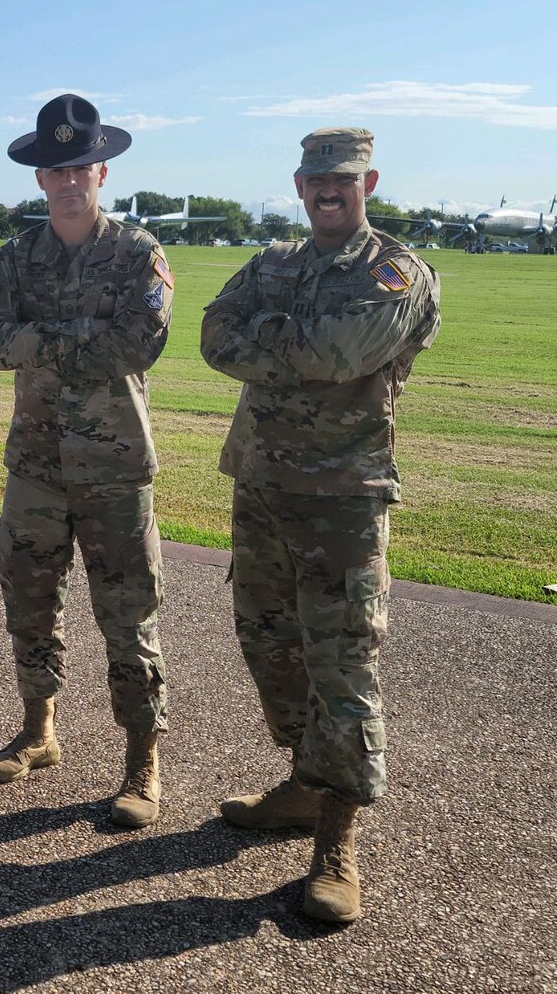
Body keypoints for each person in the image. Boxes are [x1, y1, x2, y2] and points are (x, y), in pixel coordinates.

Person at [200, 128, 440, 923]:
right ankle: (304, 784)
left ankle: (337, 839)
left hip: (343, 497)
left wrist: (270, 337)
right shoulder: (275, 261)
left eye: (343, 178)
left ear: (368, 180)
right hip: (262, 484)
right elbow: (212, 333)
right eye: (315, 179)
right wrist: (290, 340)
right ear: (299, 185)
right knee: (267, 644)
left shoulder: (395, 271)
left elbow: (340, 354)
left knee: (343, 666)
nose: (327, 190)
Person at [0, 93, 173, 828]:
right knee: (28, 600)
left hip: (115, 469)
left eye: (79, 166)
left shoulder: (138, 253)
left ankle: (142, 762)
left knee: (129, 615)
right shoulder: (16, 256)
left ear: (102, 170)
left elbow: (138, 342)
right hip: (35, 465)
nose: (67, 180)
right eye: (55, 169)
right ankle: (39, 730)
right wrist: (79, 334)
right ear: (39, 179)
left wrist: (46, 335)